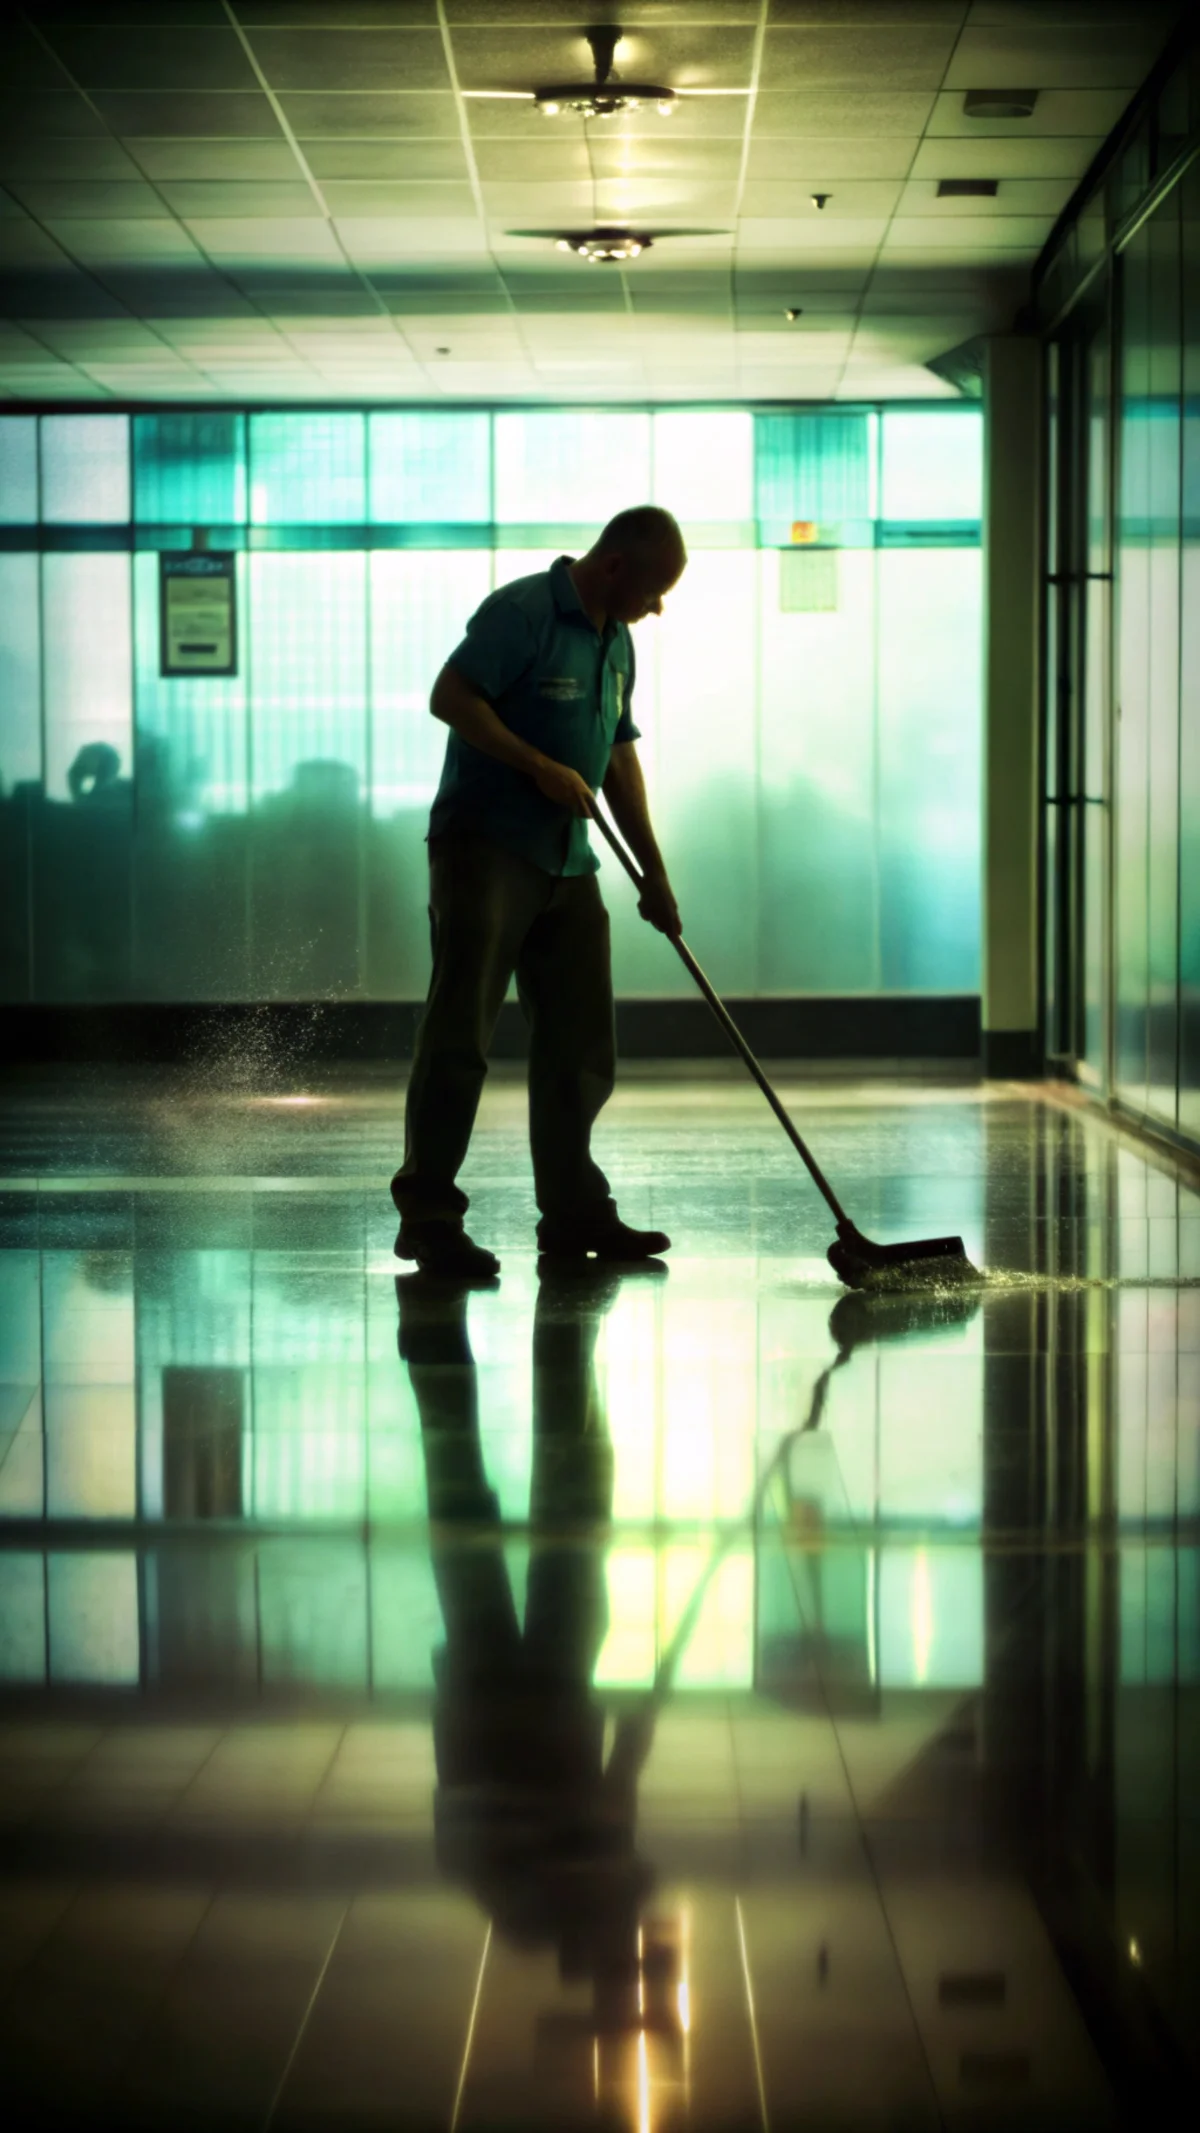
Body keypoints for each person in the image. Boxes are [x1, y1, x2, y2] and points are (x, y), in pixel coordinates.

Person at [391, 504, 687, 1278]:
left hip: (570, 864)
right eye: (654, 589)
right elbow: (450, 698)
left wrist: (655, 872)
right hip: (486, 849)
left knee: (581, 1044)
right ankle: (428, 1216)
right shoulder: (521, 611)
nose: (658, 610)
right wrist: (535, 763)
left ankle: (574, 1212)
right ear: (616, 564)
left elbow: (618, 758)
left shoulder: (616, 639)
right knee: (460, 1035)